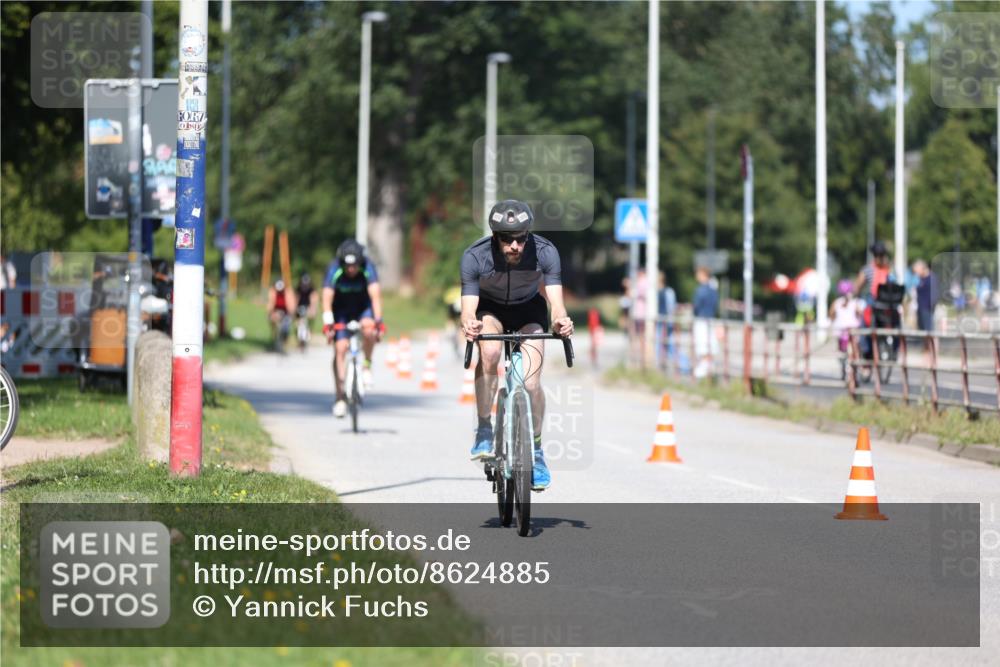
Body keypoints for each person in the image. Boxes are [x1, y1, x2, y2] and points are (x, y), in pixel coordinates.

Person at [460, 200, 573, 491]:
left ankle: (535, 450)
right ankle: (485, 427)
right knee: (491, 352)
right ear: (495, 237)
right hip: (491, 311)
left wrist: (561, 320)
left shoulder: (545, 251)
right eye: (508, 239)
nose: (515, 246)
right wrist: (470, 322)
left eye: (521, 239)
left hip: (528, 310)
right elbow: (468, 308)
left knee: (532, 383)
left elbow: (556, 303)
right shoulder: (475, 257)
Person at [322, 239, 384, 418]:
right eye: (347, 266)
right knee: (340, 348)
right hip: (340, 309)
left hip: (363, 307)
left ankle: (366, 366)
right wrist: (328, 323)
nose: (351, 269)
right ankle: (339, 396)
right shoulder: (333, 268)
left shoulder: (368, 267)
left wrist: (378, 321)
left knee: (369, 330)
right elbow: (326, 297)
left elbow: (375, 296)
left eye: (355, 265)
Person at [692, 266, 718, 378]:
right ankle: (708, 369)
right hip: (710, 319)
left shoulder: (701, 290)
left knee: (702, 346)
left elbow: (696, 306)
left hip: (701, 320)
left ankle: (701, 371)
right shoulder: (713, 290)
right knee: (710, 345)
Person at [266, 278, 295, 351]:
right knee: (273, 323)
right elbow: (270, 304)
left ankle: (284, 340)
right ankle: (275, 338)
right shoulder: (272, 291)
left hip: (286, 312)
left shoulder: (288, 292)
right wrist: (271, 313)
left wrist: (290, 314)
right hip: (275, 311)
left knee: (285, 327)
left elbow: (291, 305)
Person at [656, 271, 677, 369]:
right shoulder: (654, 292)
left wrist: (670, 321)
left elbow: (671, 308)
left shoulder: (668, 291)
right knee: (659, 343)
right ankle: (661, 363)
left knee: (668, 343)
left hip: (665, 321)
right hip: (658, 321)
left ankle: (672, 363)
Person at [913, 259, 939, 333]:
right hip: (921, 308)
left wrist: (931, 306)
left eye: (917, 271)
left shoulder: (931, 278)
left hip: (927, 308)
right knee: (923, 332)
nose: (916, 273)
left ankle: (934, 345)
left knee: (929, 331)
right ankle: (926, 345)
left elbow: (935, 294)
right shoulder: (922, 279)